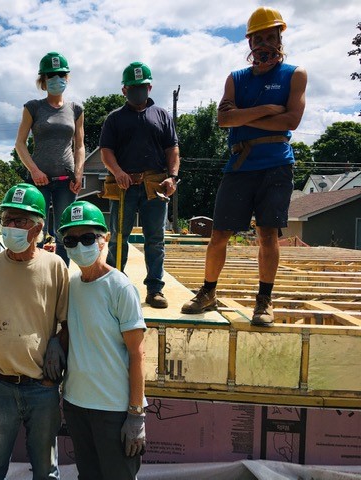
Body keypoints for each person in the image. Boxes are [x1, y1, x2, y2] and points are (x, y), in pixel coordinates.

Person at [181, 7, 307, 326]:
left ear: (280, 38)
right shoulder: (236, 78)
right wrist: (267, 110)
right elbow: (224, 119)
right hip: (239, 165)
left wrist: (244, 115)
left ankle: (264, 301)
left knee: (267, 234)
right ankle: (208, 292)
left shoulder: (294, 75)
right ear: (249, 42)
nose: (265, 43)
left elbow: (292, 119)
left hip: (276, 165)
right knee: (220, 233)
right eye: (259, 38)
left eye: (271, 36)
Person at [0, 183, 69, 480]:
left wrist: (57, 352)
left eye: (21, 221)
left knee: (46, 470)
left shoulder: (55, 267)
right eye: (7, 219)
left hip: (41, 389)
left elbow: (67, 322)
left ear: (38, 228)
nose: (11, 227)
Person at [56, 201, 147, 479]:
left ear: (104, 239)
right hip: (77, 405)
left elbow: (137, 354)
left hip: (113, 410)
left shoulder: (120, 287)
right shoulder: (71, 285)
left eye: (87, 238)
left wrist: (135, 414)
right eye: (71, 240)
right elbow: (72, 332)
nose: (79, 246)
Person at [100, 61, 180, 309]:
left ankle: (155, 289)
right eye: (133, 87)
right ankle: (114, 286)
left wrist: (173, 177)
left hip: (155, 184)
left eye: (142, 86)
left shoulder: (162, 116)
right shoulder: (115, 119)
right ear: (124, 90)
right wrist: (118, 172)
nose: (138, 91)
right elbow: (106, 151)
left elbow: (172, 149)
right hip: (124, 185)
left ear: (150, 87)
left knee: (155, 239)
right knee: (118, 238)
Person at [15, 51, 85, 265]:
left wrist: (78, 173)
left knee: (65, 230)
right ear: (43, 80)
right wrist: (34, 171)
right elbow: (20, 144)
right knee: (36, 229)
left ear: (67, 78)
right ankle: (33, 270)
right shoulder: (33, 107)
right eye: (51, 75)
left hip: (66, 182)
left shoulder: (76, 109)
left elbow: (79, 145)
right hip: (39, 182)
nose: (57, 79)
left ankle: (61, 272)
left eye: (61, 75)